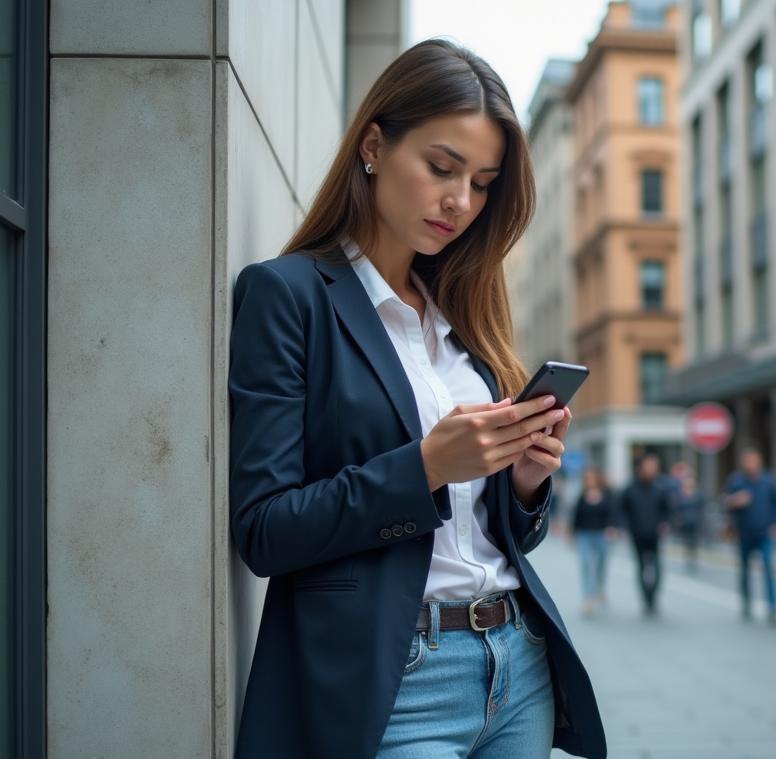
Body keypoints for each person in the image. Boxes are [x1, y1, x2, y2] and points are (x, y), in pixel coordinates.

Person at [228, 40, 605, 759]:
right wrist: (426, 466)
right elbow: (265, 530)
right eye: (441, 167)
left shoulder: (463, 316)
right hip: (396, 679)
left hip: (516, 663)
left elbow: (499, 537)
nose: (460, 201)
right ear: (374, 145)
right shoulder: (290, 295)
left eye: (484, 182)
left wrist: (523, 483)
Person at [723, 445, 776, 625]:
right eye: (747, 460)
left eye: (753, 460)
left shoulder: (770, 480)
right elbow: (724, 503)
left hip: (764, 532)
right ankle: (746, 602)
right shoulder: (736, 482)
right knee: (744, 569)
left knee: (768, 566)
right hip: (744, 532)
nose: (750, 464)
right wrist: (735, 501)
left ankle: (773, 608)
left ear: (760, 461)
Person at [618, 454, 672, 616]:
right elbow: (622, 510)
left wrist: (666, 523)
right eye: (649, 466)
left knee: (657, 567)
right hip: (637, 533)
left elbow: (667, 510)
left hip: (655, 534)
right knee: (641, 567)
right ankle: (646, 599)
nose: (652, 470)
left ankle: (653, 598)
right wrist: (623, 527)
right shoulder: (630, 489)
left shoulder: (660, 488)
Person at [571, 468, 618, 617]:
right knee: (585, 564)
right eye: (587, 478)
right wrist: (571, 534)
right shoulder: (582, 496)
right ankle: (588, 598)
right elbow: (576, 516)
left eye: (592, 477)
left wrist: (612, 528)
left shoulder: (606, 495)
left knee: (601, 564)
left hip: (601, 534)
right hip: (585, 535)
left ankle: (600, 588)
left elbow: (612, 514)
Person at [667, 462, 704, 571]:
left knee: (694, 540)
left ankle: (693, 554)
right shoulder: (679, 494)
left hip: (695, 521)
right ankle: (688, 554)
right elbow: (675, 507)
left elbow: (702, 507)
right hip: (684, 521)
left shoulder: (698, 494)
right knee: (686, 540)